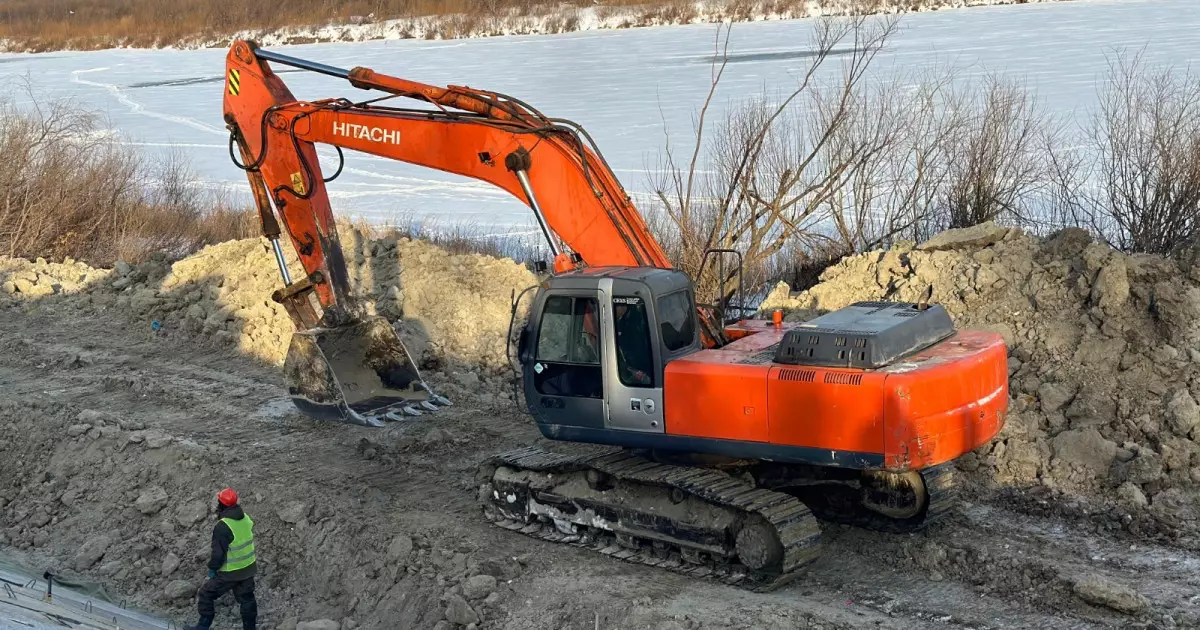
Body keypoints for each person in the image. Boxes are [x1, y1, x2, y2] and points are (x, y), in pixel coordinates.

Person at [184, 488, 257, 630]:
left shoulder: (223, 526)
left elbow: (218, 554)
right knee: (247, 599)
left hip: (230, 573)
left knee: (206, 594)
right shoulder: (246, 518)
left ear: (222, 505)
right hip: (248, 568)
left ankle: (203, 626)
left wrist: (212, 568)